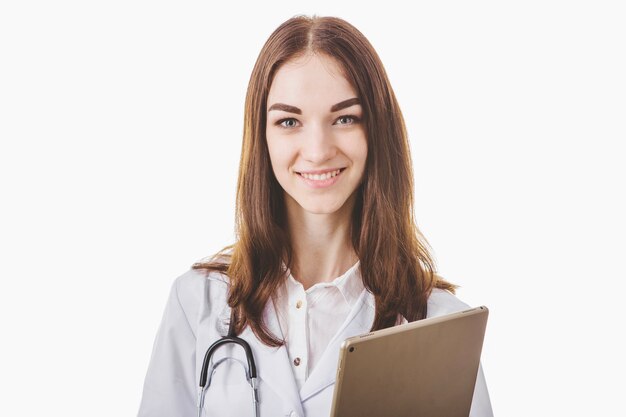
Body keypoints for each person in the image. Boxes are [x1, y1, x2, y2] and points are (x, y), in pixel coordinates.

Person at [137, 15, 493, 417]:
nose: (318, 149)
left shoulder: (439, 324)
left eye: (345, 118)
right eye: (289, 121)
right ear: (263, 136)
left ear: (376, 130)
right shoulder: (198, 302)